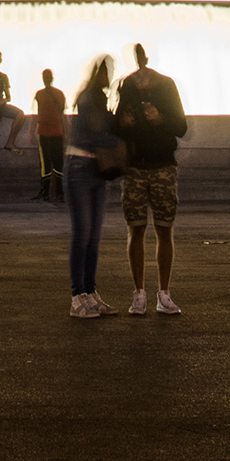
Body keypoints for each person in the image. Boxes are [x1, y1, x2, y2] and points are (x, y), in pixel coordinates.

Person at [115, 41, 188, 316]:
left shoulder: (167, 86)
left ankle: (163, 293)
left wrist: (160, 118)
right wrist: (123, 123)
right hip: (135, 167)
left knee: (164, 228)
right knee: (135, 228)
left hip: (162, 166)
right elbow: (116, 124)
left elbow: (181, 126)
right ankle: (139, 293)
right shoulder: (127, 87)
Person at [63, 56, 121, 318]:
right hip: (79, 169)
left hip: (95, 170)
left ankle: (90, 292)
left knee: (93, 238)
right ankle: (78, 297)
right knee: (83, 235)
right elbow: (93, 135)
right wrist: (120, 139)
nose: (111, 75)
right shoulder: (89, 99)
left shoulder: (96, 98)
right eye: (108, 70)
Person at [32, 68, 68, 204]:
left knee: (45, 164)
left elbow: (37, 114)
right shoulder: (59, 94)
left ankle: (45, 193)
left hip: (44, 132)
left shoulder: (39, 95)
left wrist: (32, 131)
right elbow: (63, 115)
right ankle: (60, 193)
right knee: (58, 163)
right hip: (57, 131)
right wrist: (66, 132)